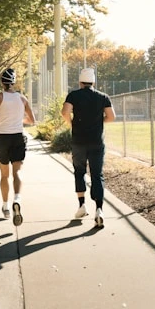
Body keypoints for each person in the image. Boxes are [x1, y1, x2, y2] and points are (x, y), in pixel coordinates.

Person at [61, 68, 116, 228]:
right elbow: (111, 116)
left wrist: (71, 123)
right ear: (93, 82)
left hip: (78, 141)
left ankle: (81, 205)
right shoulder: (102, 97)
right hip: (97, 142)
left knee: (79, 171)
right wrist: (99, 122)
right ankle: (99, 209)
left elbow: (65, 112)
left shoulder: (73, 95)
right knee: (97, 174)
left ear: (80, 82)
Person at [0, 68, 36, 226]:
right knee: (17, 172)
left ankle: (5, 207)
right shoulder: (23, 99)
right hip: (18, 137)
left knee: (4, 175)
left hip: (3, 138)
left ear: (2, 82)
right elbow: (32, 120)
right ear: (14, 82)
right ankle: (17, 198)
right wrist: (19, 120)